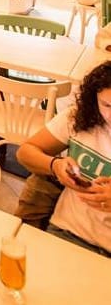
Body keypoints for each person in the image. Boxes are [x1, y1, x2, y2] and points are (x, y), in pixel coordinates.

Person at [16, 62, 111, 256]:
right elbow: (25, 152)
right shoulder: (80, 118)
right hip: (67, 232)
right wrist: (55, 165)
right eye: (106, 105)